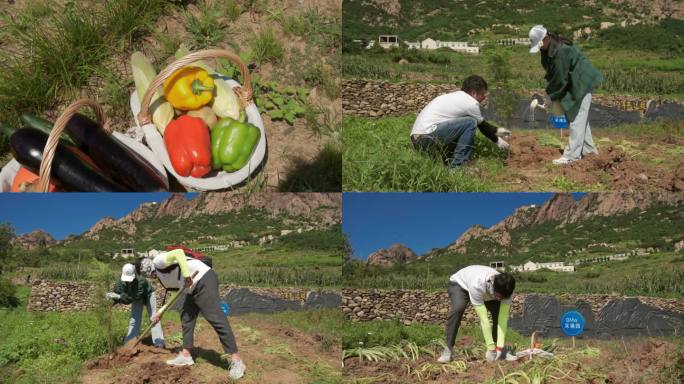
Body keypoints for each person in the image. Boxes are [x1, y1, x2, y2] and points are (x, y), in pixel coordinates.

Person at [152, 248, 246, 380]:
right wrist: (160, 312)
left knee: (216, 318)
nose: (149, 277)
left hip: (203, 278)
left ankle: (237, 361)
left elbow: (179, 253)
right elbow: (174, 294)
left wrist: (186, 275)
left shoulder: (158, 261)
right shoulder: (162, 278)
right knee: (186, 317)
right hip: (191, 288)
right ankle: (186, 356)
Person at [528, 25, 604, 165]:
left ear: (545, 38)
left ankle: (571, 156)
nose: (539, 49)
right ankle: (590, 152)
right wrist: (550, 95)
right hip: (572, 82)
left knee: (576, 118)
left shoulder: (561, 51)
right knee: (581, 120)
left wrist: (550, 96)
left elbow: (560, 78)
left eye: (539, 45)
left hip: (582, 82)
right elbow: (553, 74)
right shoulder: (548, 49)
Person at [410, 75, 511, 169]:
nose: (484, 97)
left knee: (465, 124)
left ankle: (448, 160)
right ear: (473, 93)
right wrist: (498, 140)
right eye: (482, 94)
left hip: (418, 139)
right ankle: (457, 167)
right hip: (426, 137)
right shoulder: (470, 103)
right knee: (470, 122)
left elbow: (481, 125)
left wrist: (498, 132)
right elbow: (482, 127)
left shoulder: (456, 97)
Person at [437, 265, 517, 363]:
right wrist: (490, 348)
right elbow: (484, 319)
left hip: (488, 291)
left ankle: (501, 349)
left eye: (503, 297)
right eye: (499, 296)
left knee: (498, 311)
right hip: (459, 285)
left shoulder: (507, 290)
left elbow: (503, 318)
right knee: (458, 308)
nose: (500, 299)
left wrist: (499, 347)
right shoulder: (477, 284)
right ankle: (448, 350)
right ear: (493, 285)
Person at [107, 263, 165, 348]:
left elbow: (131, 298)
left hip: (148, 295)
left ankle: (159, 343)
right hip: (136, 297)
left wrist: (119, 297)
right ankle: (129, 343)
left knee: (153, 317)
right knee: (134, 319)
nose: (128, 281)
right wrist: (109, 303)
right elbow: (116, 294)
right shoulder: (119, 282)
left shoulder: (140, 281)